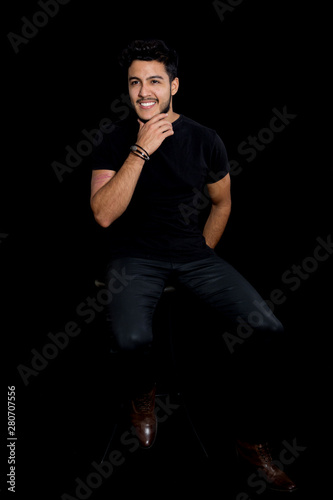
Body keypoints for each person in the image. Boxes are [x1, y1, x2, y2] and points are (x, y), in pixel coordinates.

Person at [90, 39, 297, 492]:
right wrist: (140, 150)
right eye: (135, 82)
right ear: (128, 89)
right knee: (132, 339)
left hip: (193, 255)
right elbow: (103, 213)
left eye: (155, 81)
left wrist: (198, 255)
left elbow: (222, 203)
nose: (144, 91)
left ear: (174, 86)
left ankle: (249, 439)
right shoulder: (112, 138)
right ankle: (143, 395)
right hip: (134, 257)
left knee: (270, 330)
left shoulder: (204, 138)